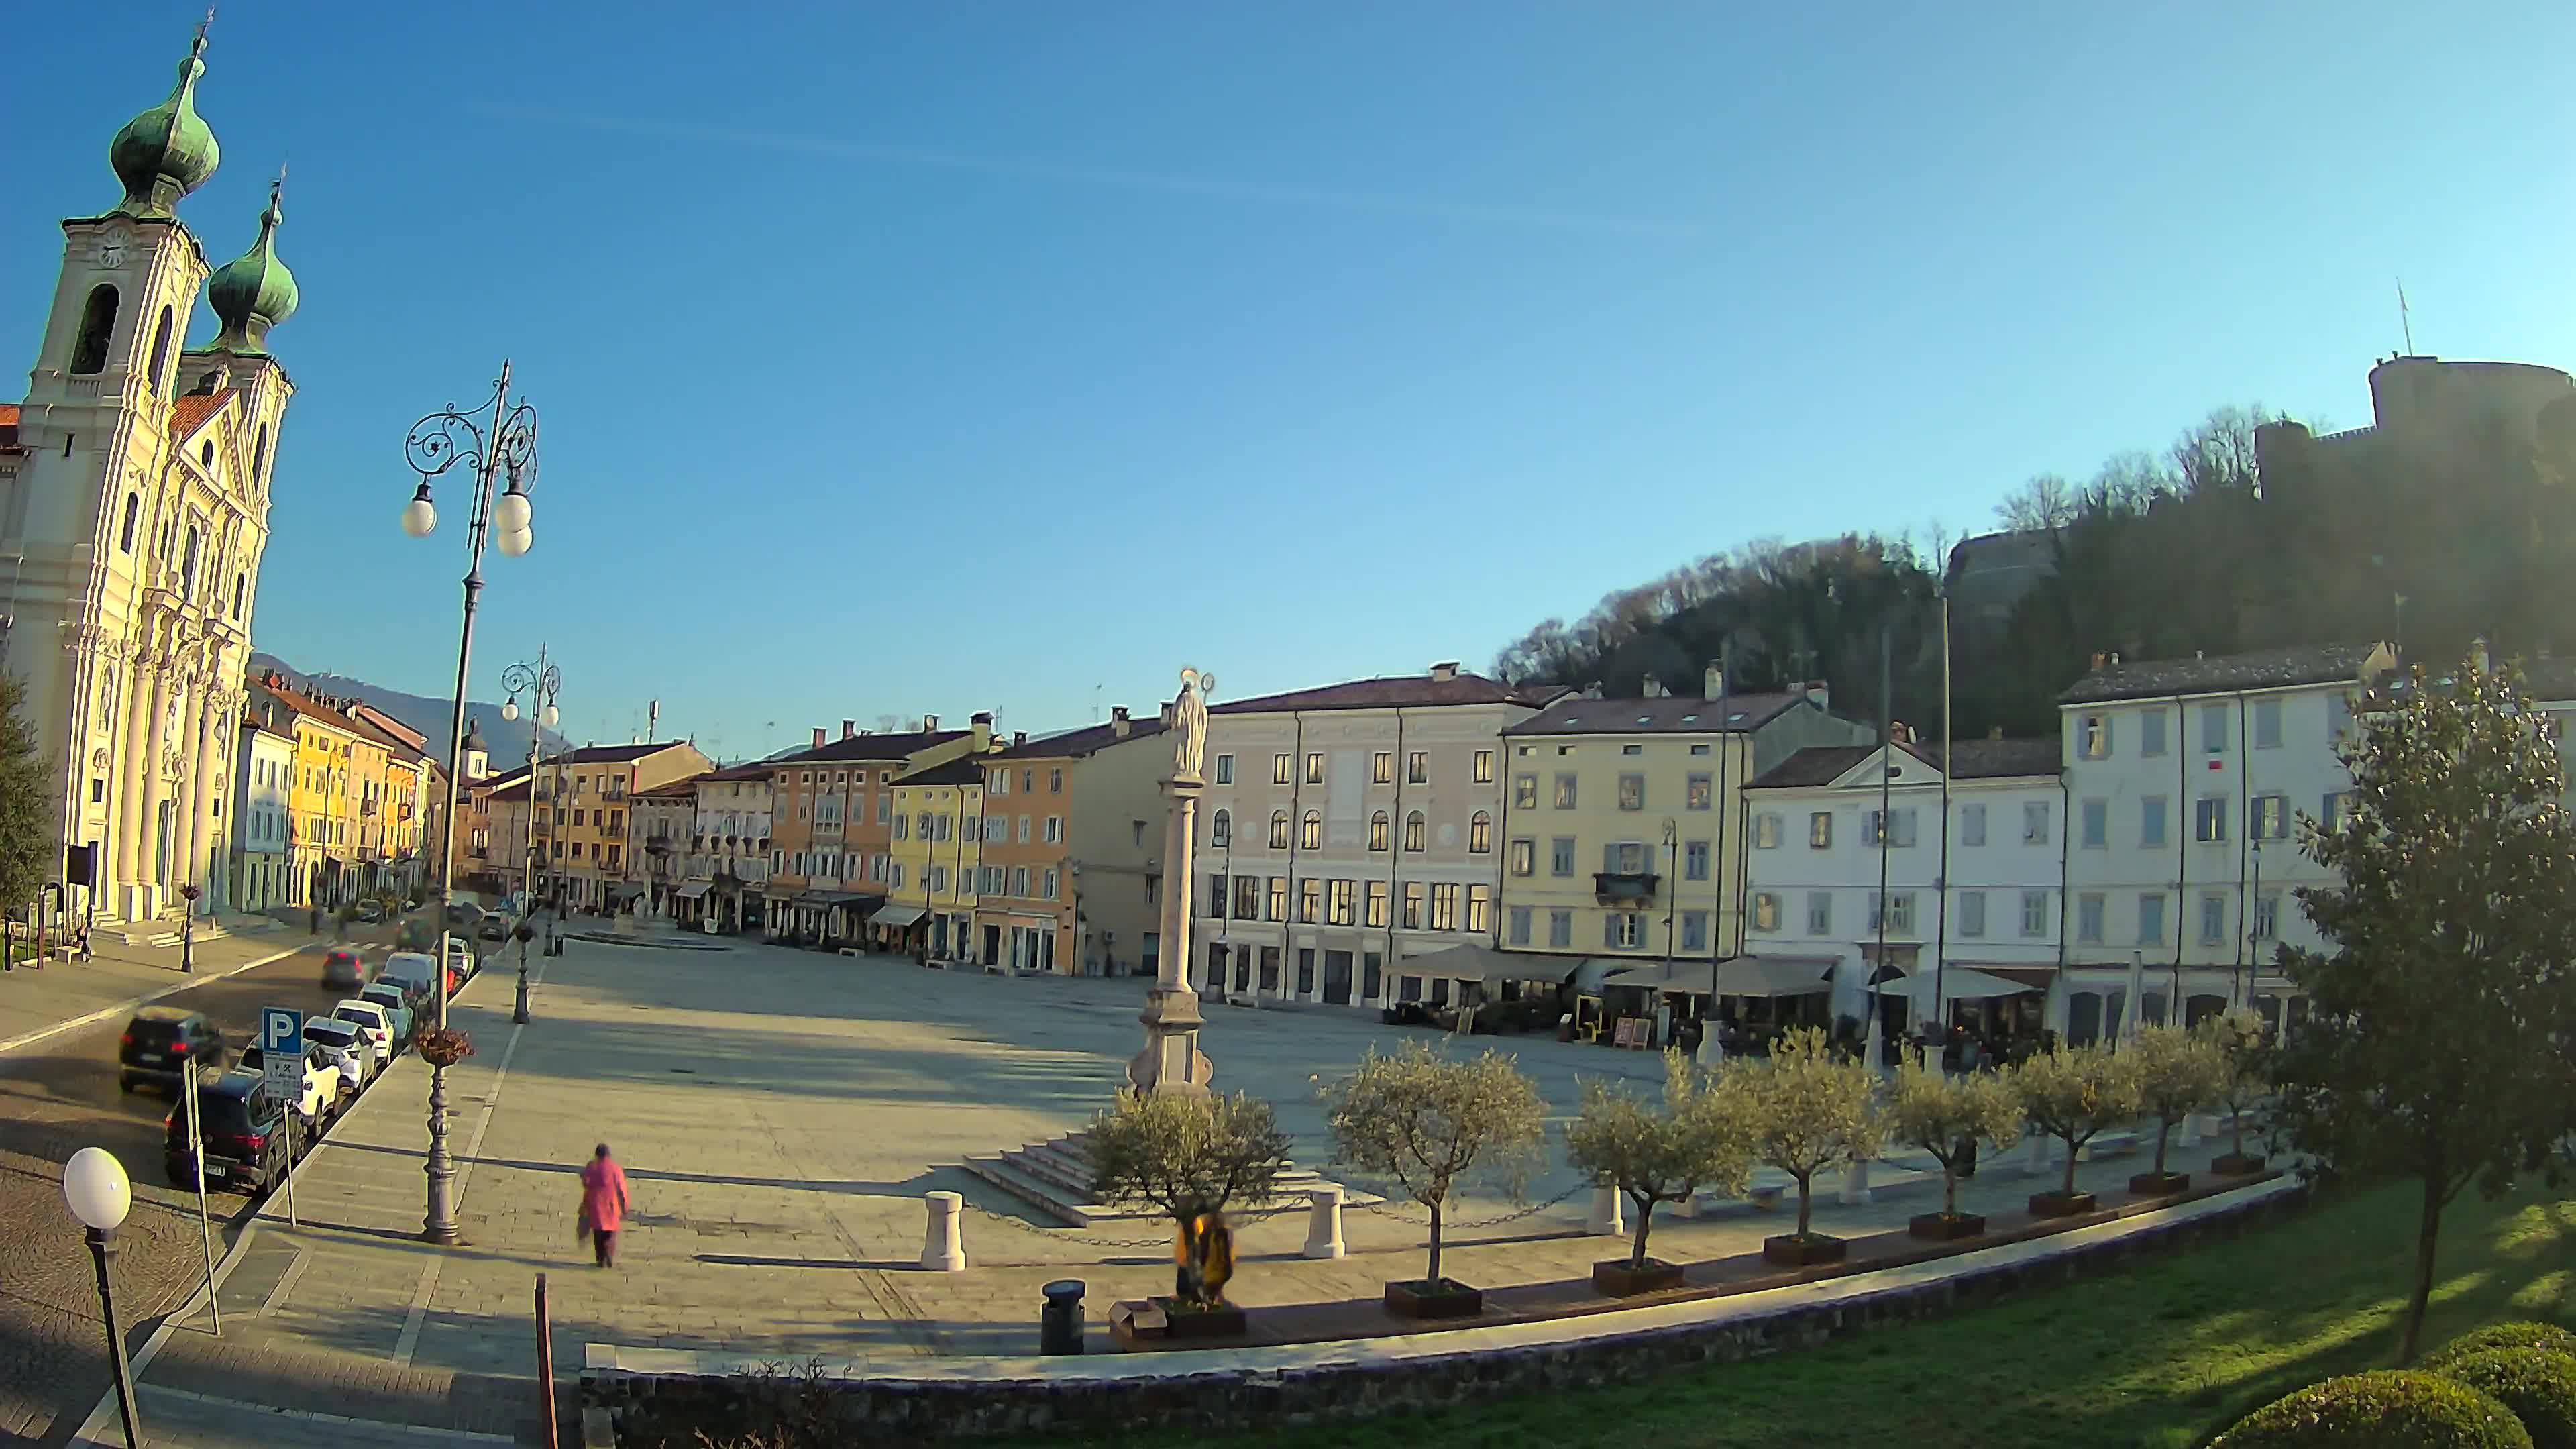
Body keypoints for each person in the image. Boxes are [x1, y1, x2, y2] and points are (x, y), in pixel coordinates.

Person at [580, 1143, 630, 1268]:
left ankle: (601, 1259)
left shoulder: (592, 1167)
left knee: (598, 1235)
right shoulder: (616, 1169)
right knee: (611, 1234)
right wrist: (624, 1207)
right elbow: (622, 1190)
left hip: (596, 1206)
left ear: (597, 1154)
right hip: (612, 1207)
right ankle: (609, 1256)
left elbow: (586, 1183)